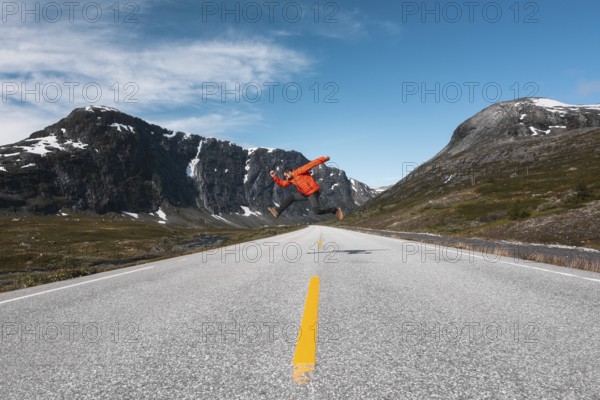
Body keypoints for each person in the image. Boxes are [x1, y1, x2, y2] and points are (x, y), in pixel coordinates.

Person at [268, 156, 344, 220]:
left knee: (317, 211)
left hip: (313, 193)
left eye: (286, 175)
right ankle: (277, 212)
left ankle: (335, 210)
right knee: (291, 197)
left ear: (290, 172)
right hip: (304, 194)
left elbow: (312, 164)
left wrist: (324, 158)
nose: (286, 177)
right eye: (285, 176)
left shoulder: (300, 171)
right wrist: (274, 177)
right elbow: (283, 184)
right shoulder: (290, 179)